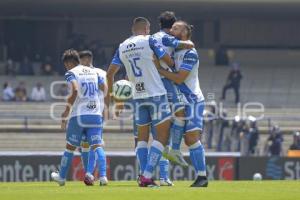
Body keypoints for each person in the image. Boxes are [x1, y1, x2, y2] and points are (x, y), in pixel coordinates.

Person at [106, 17, 173, 187]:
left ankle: (144, 176)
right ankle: (148, 175)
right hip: (156, 94)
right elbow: (168, 61)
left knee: (141, 139)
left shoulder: (122, 47)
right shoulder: (149, 40)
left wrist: (113, 99)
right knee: (163, 136)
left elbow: (110, 74)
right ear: (147, 28)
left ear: (133, 29)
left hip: (137, 96)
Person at [156, 20, 208, 187]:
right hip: (179, 99)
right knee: (184, 137)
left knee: (192, 138)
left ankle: (202, 177)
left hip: (193, 100)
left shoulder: (190, 52)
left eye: (176, 28)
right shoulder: (173, 49)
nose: (172, 30)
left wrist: (159, 71)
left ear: (185, 32)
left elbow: (179, 78)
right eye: (171, 27)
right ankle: (176, 152)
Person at [51, 49, 107, 186]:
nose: (66, 68)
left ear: (69, 63)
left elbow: (75, 90)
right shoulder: (94, 71)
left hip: (79, 115)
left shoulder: (71, 73)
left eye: (66, 65)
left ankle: (62, 178)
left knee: (70, 147)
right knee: (97, 146)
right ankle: (103, 176)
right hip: (95, 114)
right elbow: (104, 88)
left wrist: (66, 112)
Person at [152, 11, 195, 169]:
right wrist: (188, 44)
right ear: (171, 27)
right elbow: (169, 58)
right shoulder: (167, 38)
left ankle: (149, 173)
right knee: (180, 113)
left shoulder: (153, 37)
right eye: (174, 28)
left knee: (152, 129)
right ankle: (174, 150)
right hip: (164, 80)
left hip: (152, 83)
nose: (174, 31)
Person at [78, 50, 108, 186]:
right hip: (96, 113)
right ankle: (93, 174)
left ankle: (96, 174)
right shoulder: (102, 73)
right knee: (93, 145)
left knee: (93, 145)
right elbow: (108, 91)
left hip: (91, 113)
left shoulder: (78, 73)